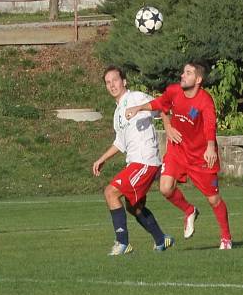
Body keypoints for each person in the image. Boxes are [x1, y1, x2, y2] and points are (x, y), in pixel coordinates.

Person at [125, 62, 233, 249]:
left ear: (198, 80)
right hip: (177, 150)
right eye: (183, 72)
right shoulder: (174, 91)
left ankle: (226, 237)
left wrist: (209, 148)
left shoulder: (204, 101)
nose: (183, 75)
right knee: (165, 188)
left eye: (188, 73)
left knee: (214, 199)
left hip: (200, 157)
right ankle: (189, 210)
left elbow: (209, 125)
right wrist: (139, 109)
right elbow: (161, 103)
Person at [92, 66, 174, 255]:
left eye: (115, 80)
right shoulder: (117, 113)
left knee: (111, 193)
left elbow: (161, 105)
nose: (112, 85)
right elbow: (120, 142)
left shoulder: (136, 97)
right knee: (133, 206)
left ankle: (122, 243)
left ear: (124, 81)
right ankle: (162, 239)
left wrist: (168, 127)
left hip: (145, 160)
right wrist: (101, 159)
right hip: (136, 162)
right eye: (108, 82)